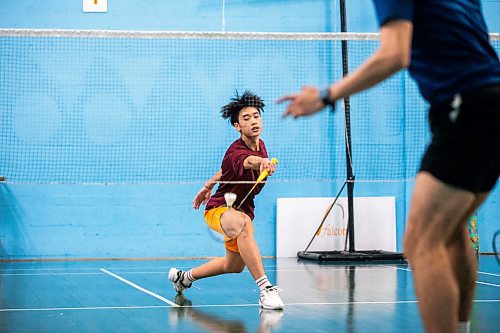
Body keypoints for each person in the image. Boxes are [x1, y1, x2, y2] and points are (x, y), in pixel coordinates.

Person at [277, 1, 500, 332]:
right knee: (452, 231)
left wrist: (326, 96)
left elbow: (395, 54)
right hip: (490, 101)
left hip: (466, 106)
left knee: (420, 243)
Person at [169, 90, 284, 310]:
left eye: (256, 116)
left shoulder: (261, 145)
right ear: (237, 126)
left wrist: (207, 185)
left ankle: (184, 278)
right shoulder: (236, 151)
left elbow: (225, 171)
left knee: (233, 265)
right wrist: (262, 163)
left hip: (241, 211)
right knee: (243, 224)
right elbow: (246, 161)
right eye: (246, 118)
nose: (253, 121)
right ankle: (265, 289)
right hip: (220, 209)